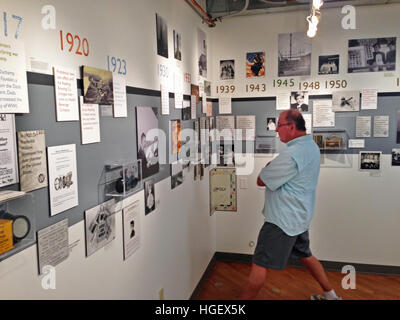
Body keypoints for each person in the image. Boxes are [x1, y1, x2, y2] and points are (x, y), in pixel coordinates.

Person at [240, 109, 341, 300]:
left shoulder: (292, 154)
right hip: (300, 217)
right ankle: (331, 296)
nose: (276, 130)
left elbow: (261, 180)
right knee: (307, 256)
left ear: (291, 127)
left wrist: (268, 167)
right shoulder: (311, 146)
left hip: (281, 222)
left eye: (279, 125)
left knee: (259, 265)